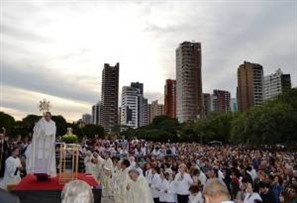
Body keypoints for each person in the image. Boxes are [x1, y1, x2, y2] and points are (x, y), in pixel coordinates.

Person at [27, 112, 57, 178]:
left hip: (48, 145)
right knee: (40, 159)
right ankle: (39, 175)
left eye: (48, 116)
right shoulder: (40, 122)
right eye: (46, 116)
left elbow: (53, 133)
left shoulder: (53, 123)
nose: (47, 117)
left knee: (48, 160)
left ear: (51, 116)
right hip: (41, 145)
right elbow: (36, 130)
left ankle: (47, 174)